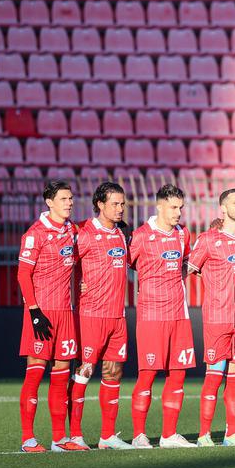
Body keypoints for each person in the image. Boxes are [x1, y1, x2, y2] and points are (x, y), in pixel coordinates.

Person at [188, 189, 235, 447]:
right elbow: (191, 268)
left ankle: (232, 434)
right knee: (214, 374)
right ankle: (204, 435)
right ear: (222, 209)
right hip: (217, 317)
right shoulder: (207, 239)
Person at [16, 179, 83, 452]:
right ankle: (28, 438)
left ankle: (59, 439)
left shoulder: (72, 230)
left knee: (61, 374)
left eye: (71, 198)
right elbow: (22, 274)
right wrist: (33, 311)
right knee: (34, 374)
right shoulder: (35, 233)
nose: (69, 203)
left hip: (65, 312)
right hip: (41, 313)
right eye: (64, 199)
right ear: (49, 202)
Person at [129, 184, 197, 449]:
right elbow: (127, 263)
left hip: (179, 314)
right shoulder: (142, 235)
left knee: (178, 374)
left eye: (180, 207)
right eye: (173, 207)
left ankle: (169, 435)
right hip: (151, 315)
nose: (178, 213)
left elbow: (188, 264)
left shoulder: (183, 234)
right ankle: (138, 435)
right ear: (159, 206)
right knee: (147, 374)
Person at [70, 182, 133, 450]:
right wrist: (78, 284)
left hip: (117, 317)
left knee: (113, 373)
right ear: (100, 204)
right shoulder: (83, 232)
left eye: (122, 204)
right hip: (92, 315)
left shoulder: (122, 234)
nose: (120, 209)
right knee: (84, 372)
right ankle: (75, 435)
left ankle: (107, 436)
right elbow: (65, 263)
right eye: (115, 204)